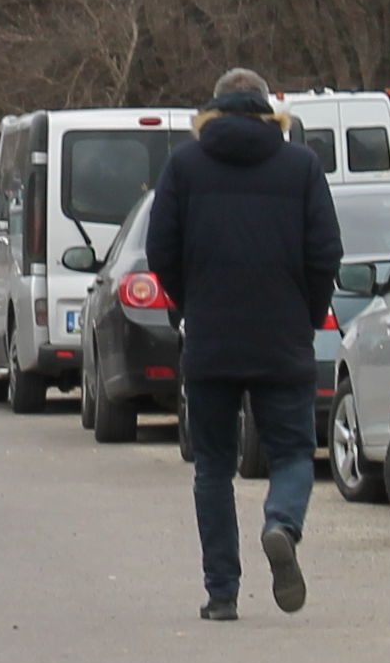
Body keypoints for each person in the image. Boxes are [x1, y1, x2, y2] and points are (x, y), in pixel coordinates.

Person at [136, 68, 342, 622]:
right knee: (295, 452)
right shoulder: (301, 166)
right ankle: (281, 523)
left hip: (211, 337)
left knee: (213, 468)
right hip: (282, 337)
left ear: (216, 108)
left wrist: (191, 303)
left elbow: (161, 250)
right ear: (268, 107)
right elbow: (326, 251)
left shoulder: (184, 165)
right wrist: (304, 312)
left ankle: (222, 593)